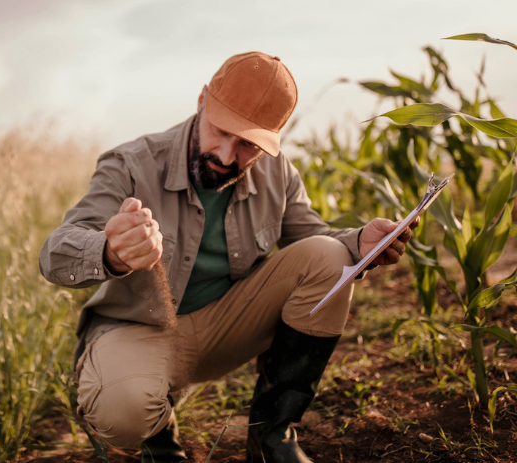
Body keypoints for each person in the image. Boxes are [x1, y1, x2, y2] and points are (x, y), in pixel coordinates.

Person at [38, 51, 416, 463]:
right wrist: (110, 252)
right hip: (139, 329)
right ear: (202, 101)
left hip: (224, 327)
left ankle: (273, 436)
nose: (225, 155)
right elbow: (54, 255)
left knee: (331, 257)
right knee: (123, 414)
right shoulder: (130, 163)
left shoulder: (279, 174)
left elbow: (313, 244)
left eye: (248, 144)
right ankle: (159, 435)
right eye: (220, 130)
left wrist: (359, 242)